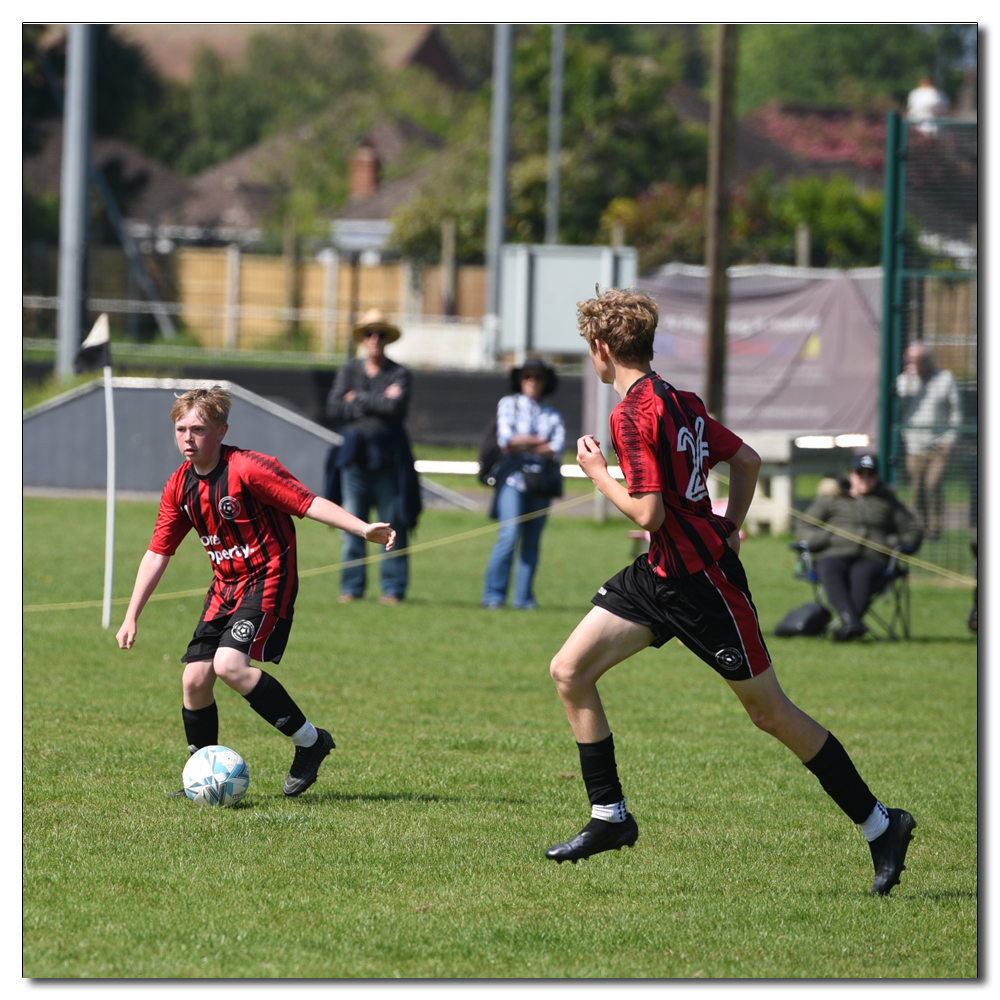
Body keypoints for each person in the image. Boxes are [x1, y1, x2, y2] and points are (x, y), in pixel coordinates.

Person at [543, 288, 916, 898]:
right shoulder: (681, 401)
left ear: (601, 350)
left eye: (590, 350)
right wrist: (729, 527)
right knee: (569, 670)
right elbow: (746, 460)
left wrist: (597, 474)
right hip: (659, 576)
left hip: (701, 587)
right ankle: (609, 817)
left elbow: (649, 512)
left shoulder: (633, 414)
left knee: (770, 713)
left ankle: (883, 824)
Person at [116, 386, 396, 797]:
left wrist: (361, 528)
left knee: (229, 666)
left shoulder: (248, 468)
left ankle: (311, 742)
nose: (188, 438)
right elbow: (158, 552)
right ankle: (205, 773)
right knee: (194, 679)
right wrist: (131, 614)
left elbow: (307, 502)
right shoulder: (179, 487)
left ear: (222, 430)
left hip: (268, 576)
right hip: (225, 586)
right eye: (181, 429)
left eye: (198, 429)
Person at [325, 308, 420, 605]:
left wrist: (359, 398)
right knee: (353, 524)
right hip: (354, 461)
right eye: (369, 333)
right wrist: (379, 399)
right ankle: (351, 588)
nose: (375, 339)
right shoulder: (348, 370)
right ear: (363, 339)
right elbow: (335, 408)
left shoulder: (399, 372)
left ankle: (393, 589)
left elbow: (396, 410)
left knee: (392, 526)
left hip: (389, 462)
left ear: (387, 339)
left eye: (380, 334)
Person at [796, 454, 923, 641]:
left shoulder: (888, 502)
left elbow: (912, 531)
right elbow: (803, 528)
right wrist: (828, 536)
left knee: (862, 574)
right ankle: (852, 623)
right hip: (833, 553)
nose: (864, 477)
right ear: (850, 475)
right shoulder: (831, 499)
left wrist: (890, 542)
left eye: (870, 473)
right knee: (831, 569)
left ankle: (849, 624)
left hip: (873, 557)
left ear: (877, 476)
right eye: (859, 472)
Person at [481, 357, 566, 610]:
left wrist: (524, 443)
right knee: (508, 536)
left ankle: (523, 599)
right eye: (527, 376)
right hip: (514, 480)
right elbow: (506, 440)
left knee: (532, 540)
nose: (532, 381)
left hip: (541, 482)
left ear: (545, 381)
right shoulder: (509, 404)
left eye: (537, 376)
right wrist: (540, 442)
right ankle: (493, 596)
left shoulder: (553, 414)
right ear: (519, 379)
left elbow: (557, 449)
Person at [896, 341, 961, 541]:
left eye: (920, 361)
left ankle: (935, 529)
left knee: (932, 484)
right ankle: (919, 526)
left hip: (940, 444)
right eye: (911, 360)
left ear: (928, 360)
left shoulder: (945, 378)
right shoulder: (906, 380)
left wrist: (950, 439)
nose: (916, 364)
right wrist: (910, 378)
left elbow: (956, 410)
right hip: (915, 445)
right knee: (917, 488)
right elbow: (901, 401)